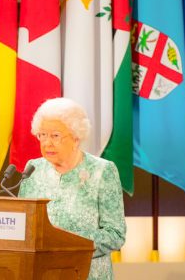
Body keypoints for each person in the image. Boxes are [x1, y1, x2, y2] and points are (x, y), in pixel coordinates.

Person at [19, 97, 126, 280]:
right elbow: (22, 226)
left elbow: (115, 234)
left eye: (55, 136)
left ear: (76, 138)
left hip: (87, 274)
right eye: (42, 135)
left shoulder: (102, 171)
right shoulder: (33, 169)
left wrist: (67, 243)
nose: (47, 143)